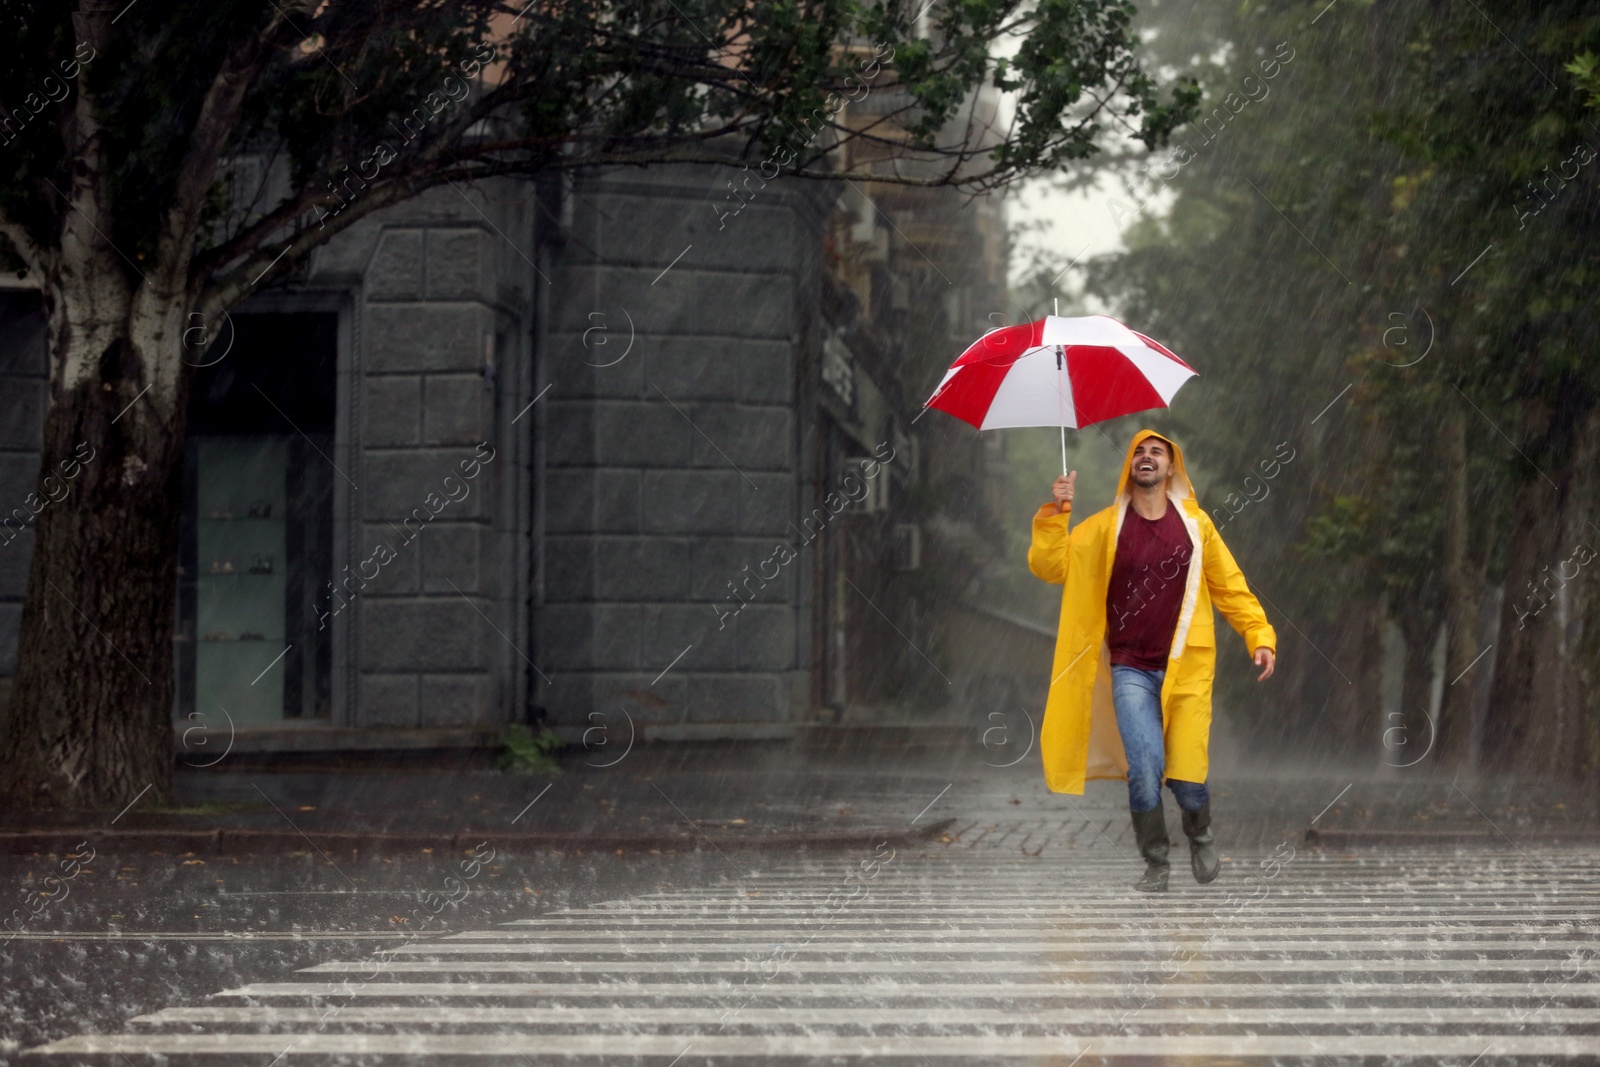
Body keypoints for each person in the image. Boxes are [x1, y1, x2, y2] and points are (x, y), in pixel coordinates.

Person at [1027, 429, 1277, 892]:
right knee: (1143, 770)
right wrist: (1056, 514)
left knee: (1186, 777)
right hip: (1130, 669)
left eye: (1156, 452)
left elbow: (1230, 586)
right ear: (1131, 468)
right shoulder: (1104, 527)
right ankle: (1156, 862)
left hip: (1187, 668)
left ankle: (1199, 830)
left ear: (1170, 468)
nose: (1146, 457)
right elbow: (1051, 566)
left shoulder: (1197, 526)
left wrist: (1259, 634)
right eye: (1139, 452)